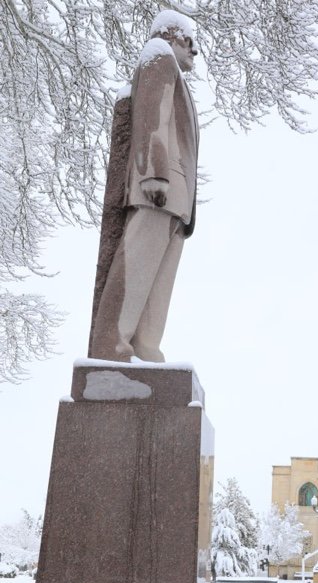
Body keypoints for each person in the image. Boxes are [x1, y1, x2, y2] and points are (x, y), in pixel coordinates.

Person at [91, 11, 199, 362]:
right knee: (136, 264)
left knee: (158, 281)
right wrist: (154, 174)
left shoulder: (174, 70)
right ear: (172, 36)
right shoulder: (157, 56)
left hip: (176, 200)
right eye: (190, 41)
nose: (194, 51)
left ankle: (144, 347)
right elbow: (152, 114)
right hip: (159, 188)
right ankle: (111, 343)